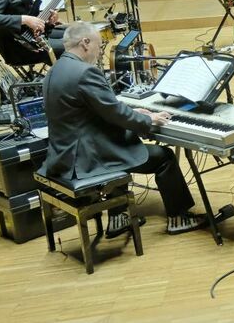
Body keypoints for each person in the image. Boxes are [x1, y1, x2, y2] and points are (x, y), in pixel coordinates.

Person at [40, 22, 201, 235]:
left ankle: (118, 217)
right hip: (85, 158)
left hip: (64, 155)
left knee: (119, 143)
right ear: (85, 43)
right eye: (99, 46)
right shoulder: (85, 72)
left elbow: (100, 108)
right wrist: (148, 120)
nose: (100, 53)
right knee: (163, 157)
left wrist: (134, 114)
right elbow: (115, 113)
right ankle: (178, 217)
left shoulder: (55, 70)